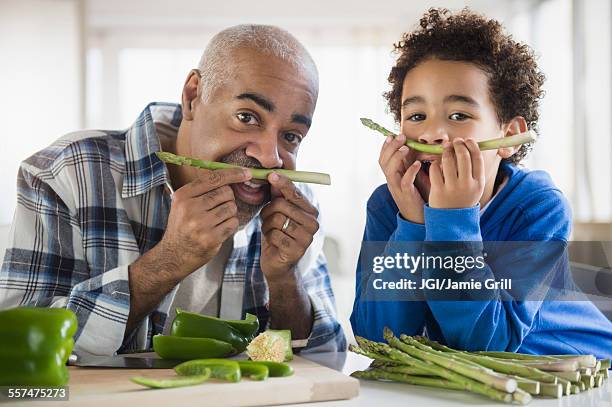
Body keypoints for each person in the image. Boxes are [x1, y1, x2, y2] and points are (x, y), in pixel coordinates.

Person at [0, 24, 345, 355]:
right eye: (246, 117)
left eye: (290, 136)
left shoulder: (293, 207)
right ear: (193, 96)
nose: (269, 157)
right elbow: (15, 344)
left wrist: (285, 281)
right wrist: (168, 262)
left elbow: (326, 359)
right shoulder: (65, 173)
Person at [350, 8, 612, 358]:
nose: (431, 133)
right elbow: (379, 340)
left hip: (587, 374)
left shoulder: (539, 206)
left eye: (459, 115)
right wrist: (412, 225)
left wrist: (452, 221)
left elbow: (489, 342)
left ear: (510, 136)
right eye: (415, 116)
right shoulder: (389, 205)